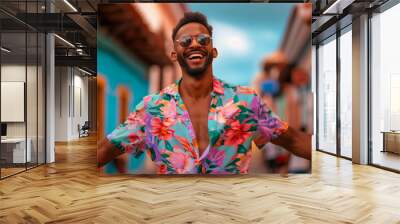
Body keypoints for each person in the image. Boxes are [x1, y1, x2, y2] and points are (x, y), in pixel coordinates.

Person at [98, 12, 311, 174]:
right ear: (174, 54)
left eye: (203, 40)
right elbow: (105, 149)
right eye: (185, 41)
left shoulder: (246, 101)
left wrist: (339, 160)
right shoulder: (151, 109)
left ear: (214, 51)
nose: (194, 44)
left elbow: (293, 140)